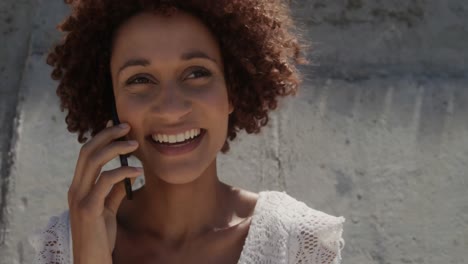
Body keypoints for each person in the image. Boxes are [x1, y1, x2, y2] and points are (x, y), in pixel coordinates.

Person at [32, 0, 345, 263]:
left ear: (232, 91)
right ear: (110, 102)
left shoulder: (297, 243)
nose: (171, 108)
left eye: (197, 73)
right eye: (140, 79)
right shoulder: (64, 245)